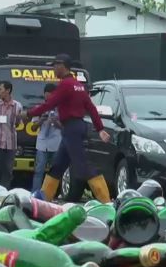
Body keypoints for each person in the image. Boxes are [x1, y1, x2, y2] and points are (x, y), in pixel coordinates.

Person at [25, 54, 111, 203]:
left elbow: (49, 104)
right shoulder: (78, 85)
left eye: (54, 66)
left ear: (61, 65)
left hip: (72, 128)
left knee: (83, 166)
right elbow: (91, 107)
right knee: (58, 166)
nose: (53, 69)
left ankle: (106, 202)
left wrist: (28, 114)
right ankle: (43, 200)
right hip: (74, 128)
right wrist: (100, 128)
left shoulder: (65, 85)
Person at [31, 83, 62, 192]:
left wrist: (55, 121)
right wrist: (41, 120)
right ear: (44, 95)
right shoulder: (39, 108)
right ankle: (35, 193)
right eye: (47, 95)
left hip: (56, 144)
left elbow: (65, 127)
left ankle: (53, 193)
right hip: (42, 144)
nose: (49, 97)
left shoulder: (61, 109)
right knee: (39, 170)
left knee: (55, 171)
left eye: (52, 95)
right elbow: (34, 128)